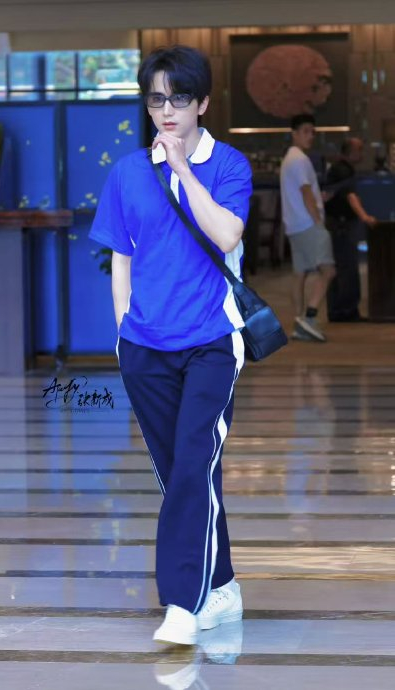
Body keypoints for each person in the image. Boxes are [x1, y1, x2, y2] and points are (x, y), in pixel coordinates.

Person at [89, 45, 252, 646]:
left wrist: (183, 169)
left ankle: (183, 602)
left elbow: (227, 233)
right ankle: (223, 586)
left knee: (192, 465)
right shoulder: (127, 173)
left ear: (202, 103)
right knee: (182, 473)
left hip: (212, 340)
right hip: (145, 347)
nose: (166, 110)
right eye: (156, 98)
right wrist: (123, 332)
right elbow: (121, 257)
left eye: (179, 98)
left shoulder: (229, 165)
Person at [280, 114, 336, 342]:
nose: (310, 136)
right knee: (328, 271)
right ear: (294, 134)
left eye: (312, 132)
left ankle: (298, 322)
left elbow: (303, 192)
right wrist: (318, 222)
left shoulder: (289, 159)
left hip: (294, 225)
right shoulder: (300, 159)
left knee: (300, 274)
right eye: (305, 131)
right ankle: (310, 319)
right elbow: (305, 192)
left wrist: (318, 198)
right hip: (308, 224)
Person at [325, 138, 377, 321]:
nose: (362, 154)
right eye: (360, 150)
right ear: (351, 152)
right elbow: (350, 196)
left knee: (341, 267)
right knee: (346, 268)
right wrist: (364, 216)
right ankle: (345, 311)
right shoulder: (343, 170)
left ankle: (339, 310)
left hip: (337, 225)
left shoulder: (340, 168)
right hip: (341, 226)